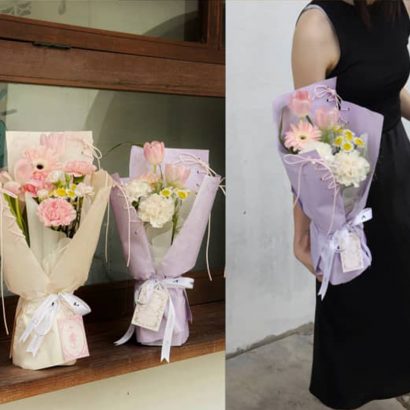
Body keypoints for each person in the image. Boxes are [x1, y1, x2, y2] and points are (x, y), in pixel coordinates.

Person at [292, 0, 410, 408]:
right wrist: (301, 227)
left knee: (402, 283)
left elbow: (387, 90)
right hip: (346, 179)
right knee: (350, 294)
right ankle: (347, 393)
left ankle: (400, 375)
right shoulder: (316, 28)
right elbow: (306, 136)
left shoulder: (399, 6)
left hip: (397, 166)